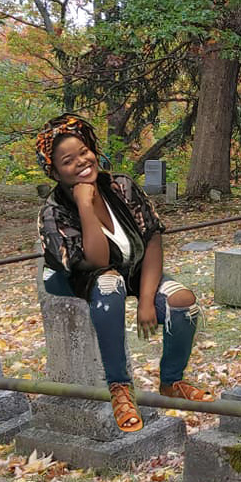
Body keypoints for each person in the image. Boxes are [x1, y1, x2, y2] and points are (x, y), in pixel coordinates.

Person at [36, 114, 213, 433]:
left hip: (135, 269)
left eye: (83, 152)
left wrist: (147, 300)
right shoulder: (54, 211)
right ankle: (120, 388)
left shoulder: (121, 185)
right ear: (54, 171)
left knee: (183, 302)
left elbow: (153, 239)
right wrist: (86, 206)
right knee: (109, 284)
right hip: (83, 277)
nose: (80, 162)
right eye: (67, 161)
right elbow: (98, 259)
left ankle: (172, 381)